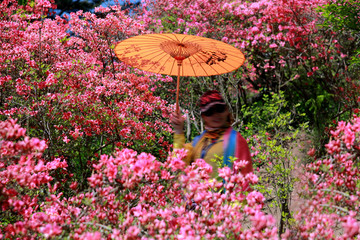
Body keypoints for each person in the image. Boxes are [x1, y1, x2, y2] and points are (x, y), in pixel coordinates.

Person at [170, 90, 253, 180]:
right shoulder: (199, 141)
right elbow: (178, 163)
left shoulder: (236, 140)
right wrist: (178, 131)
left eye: (219, 109)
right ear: (203, 116)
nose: (216, 115)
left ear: (226, 111)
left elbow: (245, 178)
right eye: (209, 112)